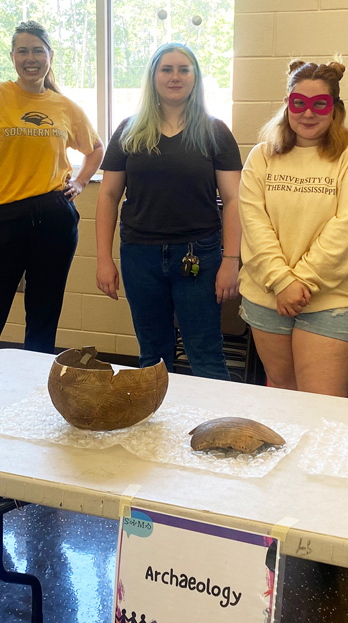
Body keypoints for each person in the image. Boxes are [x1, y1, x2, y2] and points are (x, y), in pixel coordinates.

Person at [0, 21, 103, 365]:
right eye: (23, 50)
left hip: (54, 220)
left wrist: (79, 181)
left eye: (38, 50)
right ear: (12, 57)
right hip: (2, 222)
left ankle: (34, 403)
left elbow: (96, 148)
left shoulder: (64, 106)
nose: (31, 58)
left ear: (50, 56)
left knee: (43, 318)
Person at [95, 42, 242, 380]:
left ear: (195, 78)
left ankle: (217, 430)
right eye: (167, 69)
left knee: (205, 353)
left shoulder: (214, 131)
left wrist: (230, 261)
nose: (175, 76)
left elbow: (234, 201)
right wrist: (103, 259)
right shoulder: (129, 130)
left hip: (199, 257)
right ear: (154, 77)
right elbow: (108, 197)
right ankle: (156, 431)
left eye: (183, 69)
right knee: (152, 355)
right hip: (139, 257)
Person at [238, 59, 348, 396]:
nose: (308, 113)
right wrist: (282, 281)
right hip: (268, 295)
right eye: (298, 103)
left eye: (320, 104)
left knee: (321, 408)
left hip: (331, 299)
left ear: (335, 108)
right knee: (284, 401)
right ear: (287, 106)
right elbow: (254, 225)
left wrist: (301, 282)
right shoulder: (261, 156)